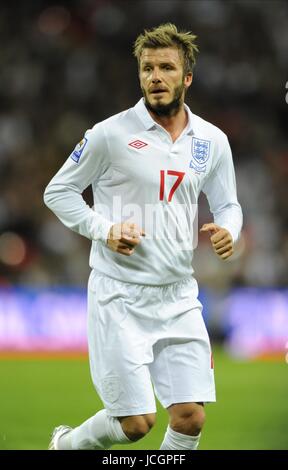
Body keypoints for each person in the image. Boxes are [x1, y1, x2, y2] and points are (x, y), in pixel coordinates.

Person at [44, 23, 242, 451]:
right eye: (147, 68)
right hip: (120, 295)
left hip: (178, 295)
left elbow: (229, 205)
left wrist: (230, 231)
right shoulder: (109, 134)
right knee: (135, 423)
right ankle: (66, 447)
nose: (155, 76)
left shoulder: (212, 140)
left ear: (186, 77)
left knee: (190, 419)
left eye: (167, 67)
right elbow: (57, 191)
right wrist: (105, 229)